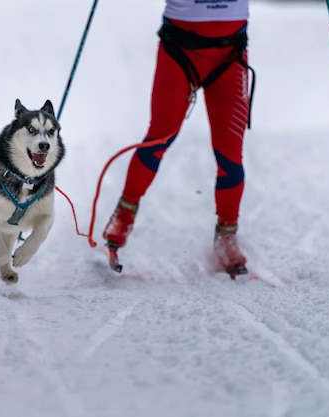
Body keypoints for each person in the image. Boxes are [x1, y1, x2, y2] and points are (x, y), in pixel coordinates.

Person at [103, 0, 254, 278]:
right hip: (179, 48)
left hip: (230, 52)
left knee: (230, 152)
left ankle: (227, 235)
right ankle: (123, 216)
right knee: (157, 140)